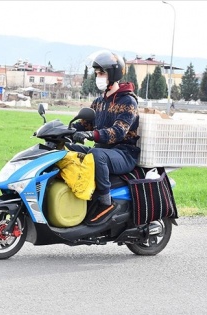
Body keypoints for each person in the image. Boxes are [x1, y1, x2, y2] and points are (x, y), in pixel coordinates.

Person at [67, 50, 141, 226]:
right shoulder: (99, 101)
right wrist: (63, 130)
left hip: (124, 153)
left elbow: (119, 131)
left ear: (113, 75)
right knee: (71, 150)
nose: (97, 77)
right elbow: (85, 125)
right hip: (104, 150)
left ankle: (105, 204)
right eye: (96, 73)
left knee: (96, 155)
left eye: (101, 73)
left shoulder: (128, 101)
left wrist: (92, 135)